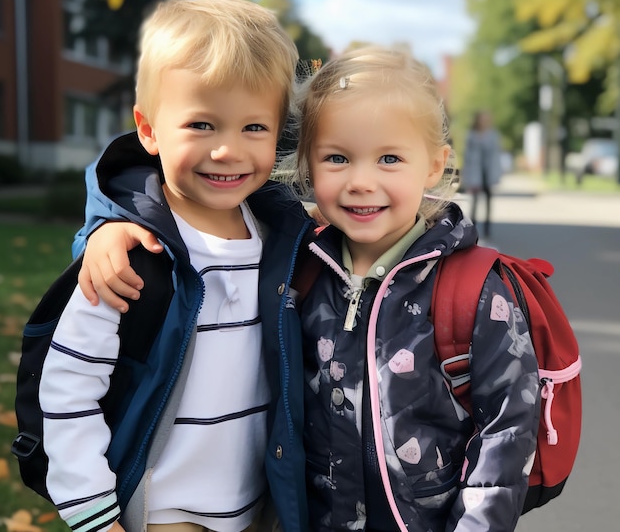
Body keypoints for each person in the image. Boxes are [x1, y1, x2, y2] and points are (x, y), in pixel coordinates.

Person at [76, 47, 540, 532]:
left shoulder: (476, 289)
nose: (362, 182)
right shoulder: (295, 263)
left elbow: (507, 430)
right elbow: (183, 191)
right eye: (337, 158)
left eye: (389, 159)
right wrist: (108, 224)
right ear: (306, 165)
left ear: (433, 165)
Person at [38, 0, 316, 532]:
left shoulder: (284, 239)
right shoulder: (130, 257)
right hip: (165, 511)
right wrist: (95, 515)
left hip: (260, 508)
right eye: (202, 125)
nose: (228, 151)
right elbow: (69, 387)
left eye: (253, 128)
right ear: (149, 130)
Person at [461, 110, 503, 238]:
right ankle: (472, 227)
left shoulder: (493, 135)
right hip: (476, 173)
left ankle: (487, 229)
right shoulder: (471, 135)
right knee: (475, 202)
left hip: (488, 173)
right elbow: (467, 156)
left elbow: (496, 154)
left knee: (488, 202)